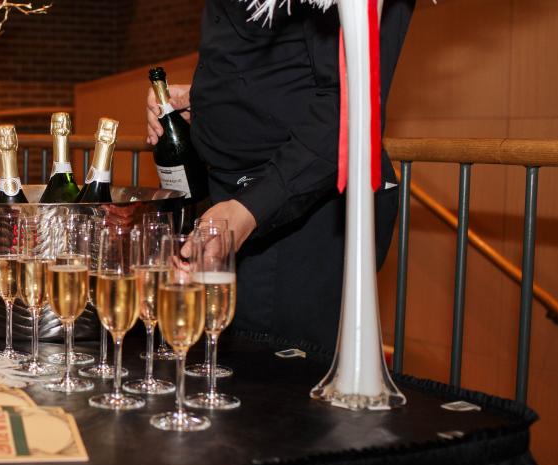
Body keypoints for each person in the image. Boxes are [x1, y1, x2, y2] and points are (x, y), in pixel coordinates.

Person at [147, 0, 416, 351]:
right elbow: (276, 71)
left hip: (302, 214)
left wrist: (249, 210)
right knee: (232, 378)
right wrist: (201, 98)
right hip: (237, 204)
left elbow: (349, 107)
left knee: (280, 386)